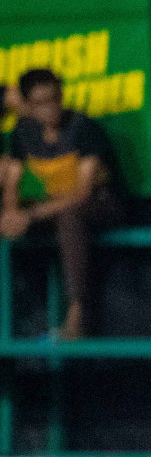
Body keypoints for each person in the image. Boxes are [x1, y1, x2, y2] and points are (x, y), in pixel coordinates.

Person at [0, 68, 122, 340]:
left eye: (55, 98)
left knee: (70, 217)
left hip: (101, 204)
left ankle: (77, 314)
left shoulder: (85, 129)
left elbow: (82, 193)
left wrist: (30, 215)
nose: (50, 108)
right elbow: (13, 180)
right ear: (28, 105)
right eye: (41, 103)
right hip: (53, 205)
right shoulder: (22, 132)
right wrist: (10, 213)